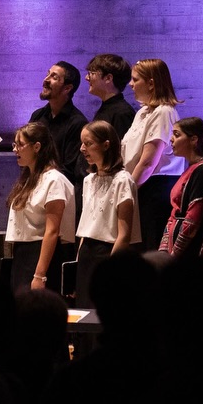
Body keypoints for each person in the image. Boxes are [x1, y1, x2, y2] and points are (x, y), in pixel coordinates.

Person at [4, 121, 76, 295]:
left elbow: (52, 231)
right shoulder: (28, 179)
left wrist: (40, 275)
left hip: (41, 257)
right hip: (23, 255)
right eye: (14, 145)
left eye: (20, 145)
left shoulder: (54, 180)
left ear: (36, 147)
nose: (15, 150)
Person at [121, 58, 186, 250]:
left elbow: (148, 161)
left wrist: (126, 192)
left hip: (155, 188)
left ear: (151, 83)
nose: (131, 84)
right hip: (139, 184)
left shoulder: (164, 112)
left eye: (135, 79)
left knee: (150, 247)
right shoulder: (142, 112)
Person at [74, 120, 140, 304]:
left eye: (88, 143)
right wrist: (78, 263)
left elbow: (124, 234)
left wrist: (110, 270)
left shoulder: (122, 180)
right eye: (82, 143)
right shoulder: (89, 181)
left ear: (106, 145)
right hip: (87, 253)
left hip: (108, 254)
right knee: (84, 314)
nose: (82, 149)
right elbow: (86, 228)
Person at [159, 117, 203, 259]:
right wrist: (164, 249)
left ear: (194, 140)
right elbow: (174, 214)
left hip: (195, 250)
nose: (171, 139)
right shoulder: (190, 170)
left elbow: (193, 220)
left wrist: (175, 254)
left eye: (177, 135)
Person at [30, 61, 87, 190]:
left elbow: (68, 170)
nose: (46, 80)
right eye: (48, 74)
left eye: (54, 77)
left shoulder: (77, 123)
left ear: (67, 88)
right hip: (32, 187)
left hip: (57, 193)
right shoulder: (37, 116)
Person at [85, 53, 135, 138]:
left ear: (108, 78)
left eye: (91, 73)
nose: (87, 77)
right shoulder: (108, 107)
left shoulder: (122, 113)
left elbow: (121, 149)